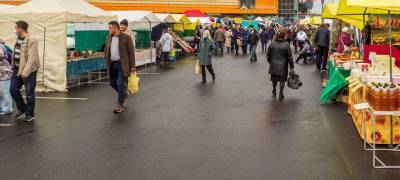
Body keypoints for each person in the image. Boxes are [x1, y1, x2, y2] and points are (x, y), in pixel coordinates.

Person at [10, 21, 40, 122]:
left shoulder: (32, 40)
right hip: (17, 69)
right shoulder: (18, 39)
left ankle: (30, 114)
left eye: (16, 28)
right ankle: (23, 109)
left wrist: (25, 73)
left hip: (29, 71)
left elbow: (32, 59)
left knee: (29, 93)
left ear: (21, 28)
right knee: (13, 89)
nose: (15, 30)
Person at [104, 21, 136, 113]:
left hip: (123, 65)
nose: (109, 30)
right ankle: (124, 94)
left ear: (115, 28)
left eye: (110, 28)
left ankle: (120, 105)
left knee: (121, 84)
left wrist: (133, 66)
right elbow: (106, 49)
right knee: (112, 83)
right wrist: (105, 55)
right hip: (112, 65)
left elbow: (131, 52)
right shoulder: (108, 38)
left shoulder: (126, 37)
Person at [267, 30, 294, 100]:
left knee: (274, 79)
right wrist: (291, 67)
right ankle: (281, 93)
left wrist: (271, 62)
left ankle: (274, 90)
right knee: (282, 80)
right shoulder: (286, 44)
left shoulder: (272, 44)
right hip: (283, 65)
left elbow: (268, 55)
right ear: (284, 36)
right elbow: (290, 57)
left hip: (273, 64)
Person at [0, 41, 12, 115]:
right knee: (1, 91)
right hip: (2, 73)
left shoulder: (0, 46)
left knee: (4, 92)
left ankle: (7, 109)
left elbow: (1, 56)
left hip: (4, 73)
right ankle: (3, 107)